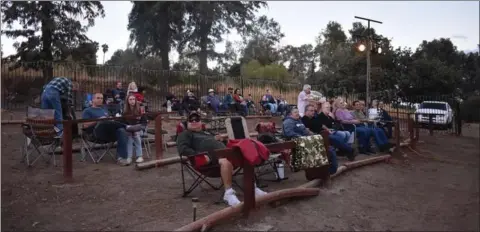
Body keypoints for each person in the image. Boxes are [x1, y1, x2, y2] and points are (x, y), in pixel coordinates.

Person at [176, 111, 267, 206]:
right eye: (191, 120)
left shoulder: (207, 133)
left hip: (225, 153)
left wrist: (222, 140)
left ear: (200, 122)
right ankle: (228, 194)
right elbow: (183, 149)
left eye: (197, 119)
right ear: (187, 123)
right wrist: (200, 155)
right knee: (225, 160)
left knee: (246, 153)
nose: (194, 121)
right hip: (210, 160)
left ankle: (252, 187)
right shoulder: (185, 134)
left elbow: (220, 145)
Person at [82, 93, 143, 165]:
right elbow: (84, 125)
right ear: (93, 99)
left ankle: (121, 158)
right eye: (98, 98)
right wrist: (98, 120)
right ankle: (127, 127)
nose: (100, 100)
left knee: (121, 131)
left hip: (108, 133)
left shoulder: (104, 109)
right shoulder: (87, 110)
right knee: (103, 122)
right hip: (95, 133)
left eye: (101, 98)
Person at [283, 108, 339, 174]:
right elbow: (289, 133)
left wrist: (314, 135)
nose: (298, 113)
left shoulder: (298, 121)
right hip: (299, 141)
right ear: (290, 114)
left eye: (298, 112)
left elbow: (305, 131)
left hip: (306, 139)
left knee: (329, 146)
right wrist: (302, 137)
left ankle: (327, 169)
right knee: (327, 149)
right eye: (295, 112)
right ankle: (322, 170)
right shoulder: (288, 122)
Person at [123, 94, 147, 164]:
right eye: (130, 99)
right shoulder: (125, 111)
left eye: (133, 99)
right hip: (129, 130)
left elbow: (144, 122)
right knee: (129, 137)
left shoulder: (140, 110)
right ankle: (129, 157)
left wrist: (139, 127)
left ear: (135, 100)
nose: (132, 101)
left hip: (139, 129)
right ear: (127, 101)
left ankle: (139, 156)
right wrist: (128, 127)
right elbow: (123, 122)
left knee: (136, 135)